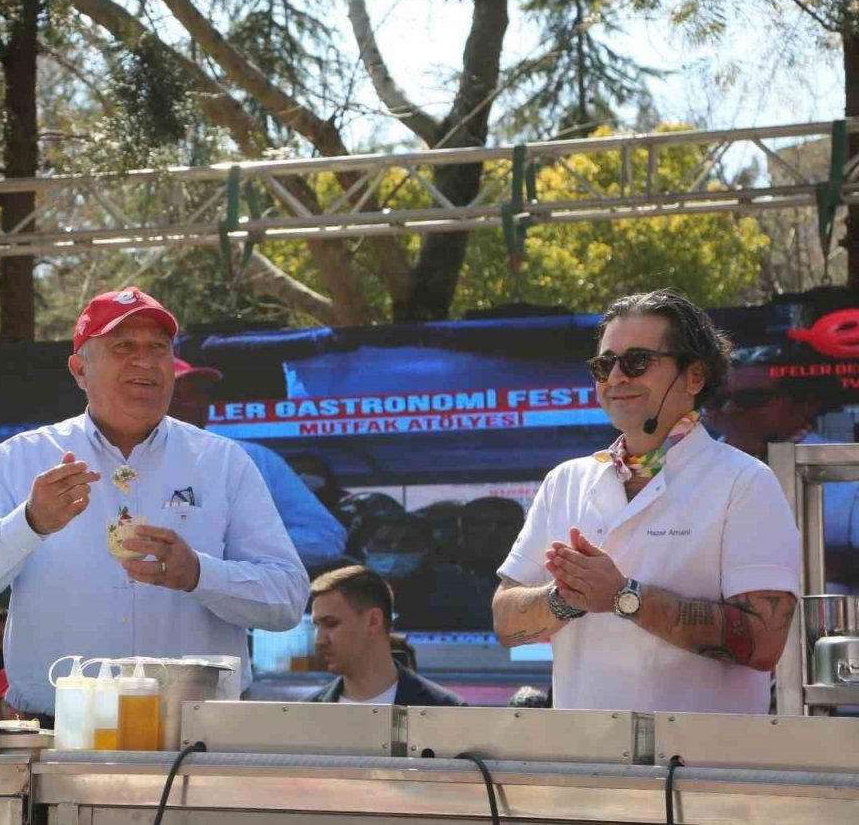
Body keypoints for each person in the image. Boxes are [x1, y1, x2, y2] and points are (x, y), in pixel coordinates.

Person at [0, 287, 309, 718]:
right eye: (122, 346)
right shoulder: (22, 458)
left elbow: (288, 600)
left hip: (195, 735)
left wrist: (199, 574)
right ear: (79, 369)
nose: (144, 360)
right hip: (58, 731)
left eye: (158, 348)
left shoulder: (221, 461)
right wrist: (30, 522)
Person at [493, 289, 801, 714]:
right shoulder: (565, 481)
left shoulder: (744, 483)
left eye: (637, 361)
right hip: (584, 765)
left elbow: (765, 642)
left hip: (705, 768)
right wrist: (565, 598)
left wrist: (623, 596)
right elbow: (506, 622)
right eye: (604, 364)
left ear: (695, 377)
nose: (617, 377)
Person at [169, 358, 346, 568]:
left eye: (199, 393)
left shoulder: (252, 458)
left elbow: (324, 536)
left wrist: (231, 552)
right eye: (176, 395)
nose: (192, 403)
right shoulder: (123, 465)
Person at [710, 351, 859, 591]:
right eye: (717, 399)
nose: (730, 409)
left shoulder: (847, 472)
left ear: (804, 406)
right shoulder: (689, 466)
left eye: (751, 399)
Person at [305, 566, 464, 706]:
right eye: (317, 626)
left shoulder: (445, 710)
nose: (319, 641)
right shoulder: (305, 713)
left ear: (373, 620)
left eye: (331, 623)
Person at [354, 511, 495, 631]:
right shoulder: (344, 587)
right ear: (364, 548)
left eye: (408, 543)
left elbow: (512, 649)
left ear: (427, 548)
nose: (395, 549)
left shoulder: (462, 589)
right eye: (383, 543)